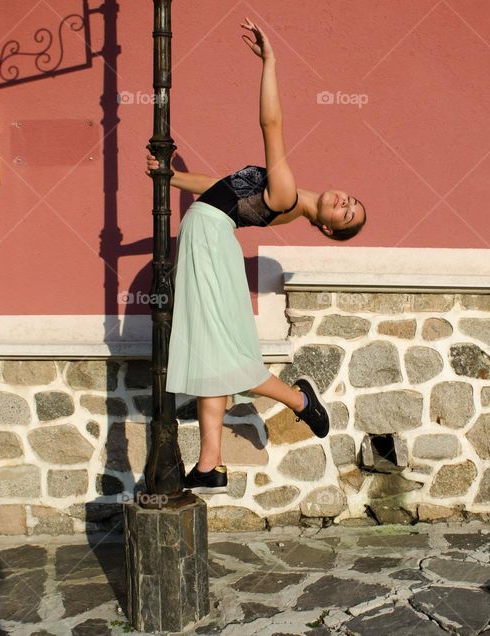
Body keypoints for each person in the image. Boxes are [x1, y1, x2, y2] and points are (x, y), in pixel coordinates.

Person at [145, 17, 367, 493]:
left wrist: (270, 63)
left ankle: (299, 402)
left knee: (220, 351)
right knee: (212, 349)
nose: (344, 203)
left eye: (346, 214)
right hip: (209, 236)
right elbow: (220, 190)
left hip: (208, 241)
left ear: (328, 228)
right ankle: (211, 464)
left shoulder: (284, 193)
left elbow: (271, 123)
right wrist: (170, 176)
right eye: (351, 200)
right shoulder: (285, 208)